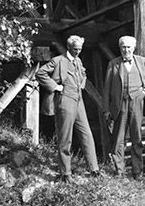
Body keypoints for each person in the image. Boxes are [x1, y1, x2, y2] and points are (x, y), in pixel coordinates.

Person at [36, 35, 100, 183]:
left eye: (80, 49)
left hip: (78, 100)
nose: (78, 52)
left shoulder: (78, 60)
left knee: (86, 133)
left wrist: (82, 81)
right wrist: (55, 86)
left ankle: (94, 169)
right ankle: (66, 173)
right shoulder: (58, 61)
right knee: (65, 137)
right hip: (64, 100)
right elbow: (41, 73)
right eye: (75, 49)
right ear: (69, 47)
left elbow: (83, 73)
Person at [103, 36, 145, 179]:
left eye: (128, 47)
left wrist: (144, 92)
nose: (126, 50)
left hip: (136, 103)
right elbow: (106, 89)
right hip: (119, 105)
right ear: (120, 48)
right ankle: (119, 171)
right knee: (118, 139)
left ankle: (137, 171)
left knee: (136, 138)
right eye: (123, 47)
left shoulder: (142, 62)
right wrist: (106, 109)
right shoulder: (113, 64)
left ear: (134, 48)